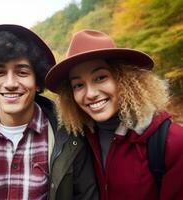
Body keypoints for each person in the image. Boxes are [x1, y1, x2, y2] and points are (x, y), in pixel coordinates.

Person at [0, 25, 98, 200]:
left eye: (22, 72)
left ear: (37, 81)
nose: (10, 83)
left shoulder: (69, 136)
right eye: (0, 72)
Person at [44, 29, 183, 199]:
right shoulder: (79, 138)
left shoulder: (173, 142)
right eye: (78, 85)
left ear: (124, 79)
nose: (90, 94)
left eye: (100, 78)